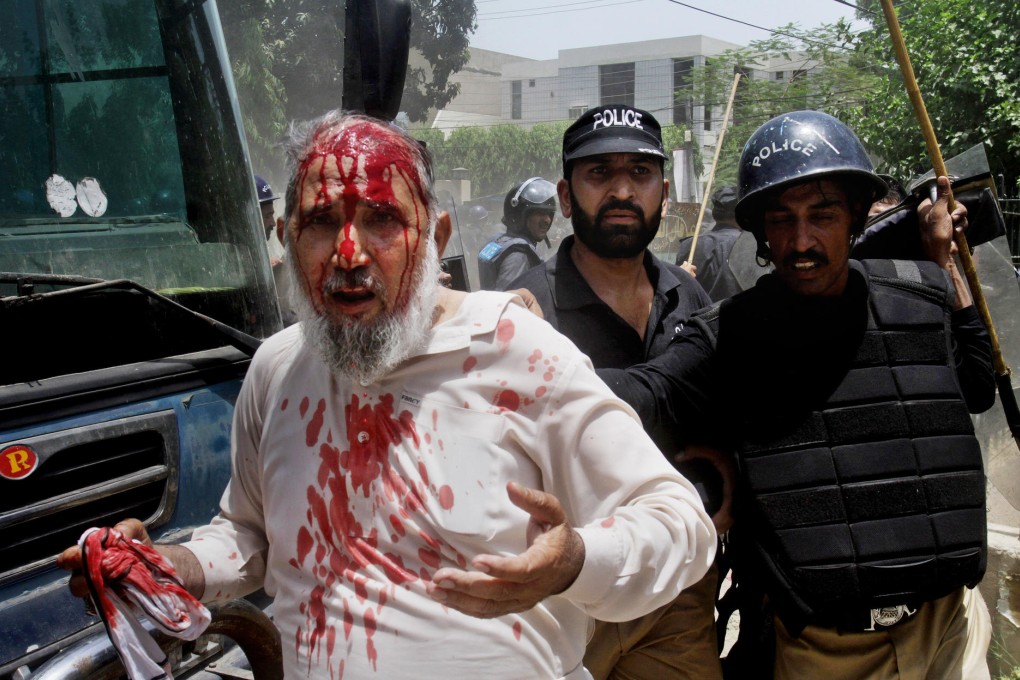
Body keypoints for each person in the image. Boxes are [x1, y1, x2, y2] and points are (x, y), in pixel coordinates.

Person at [58, 110, 715, 679]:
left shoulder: (522, 355)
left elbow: (679, 522)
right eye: (321, 223)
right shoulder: (277, 369)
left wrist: (576, 561)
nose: (349, 254)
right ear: (285, 242)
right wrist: (169, 565)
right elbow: (252, 537)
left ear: (436, 238)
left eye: (380, 221)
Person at [601, 110, 995, 680]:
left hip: (949, 630)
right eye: (781, 220)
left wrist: (949, 263)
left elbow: (977, 388)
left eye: (823, 215)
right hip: (827, 651)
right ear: (760, 230)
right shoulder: (727, 335)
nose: (801, 241)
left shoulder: (919, 296)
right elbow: (648, 391)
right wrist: (530, 358)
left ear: (857, 216)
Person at [511, 105, 724, 680]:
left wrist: (722, 479)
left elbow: (717, 415)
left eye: (641, 172)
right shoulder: (525, 311)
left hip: (675, 589)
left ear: (661, 187)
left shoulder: (689, 299)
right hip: (563, 594)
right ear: (565, 194)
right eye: (600, 174)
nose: (623, 190)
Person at [674, 185, 768, 302]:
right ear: (742, 214)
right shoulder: (751, 245)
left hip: (699, 318)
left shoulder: (689, 245)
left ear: (715, 213)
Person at [477, 177, 557, 290]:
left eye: (549, 214)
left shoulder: (498, 241)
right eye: (540, 213)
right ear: (518, 216)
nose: (547, 220)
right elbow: (508, 302)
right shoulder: (518, 256)